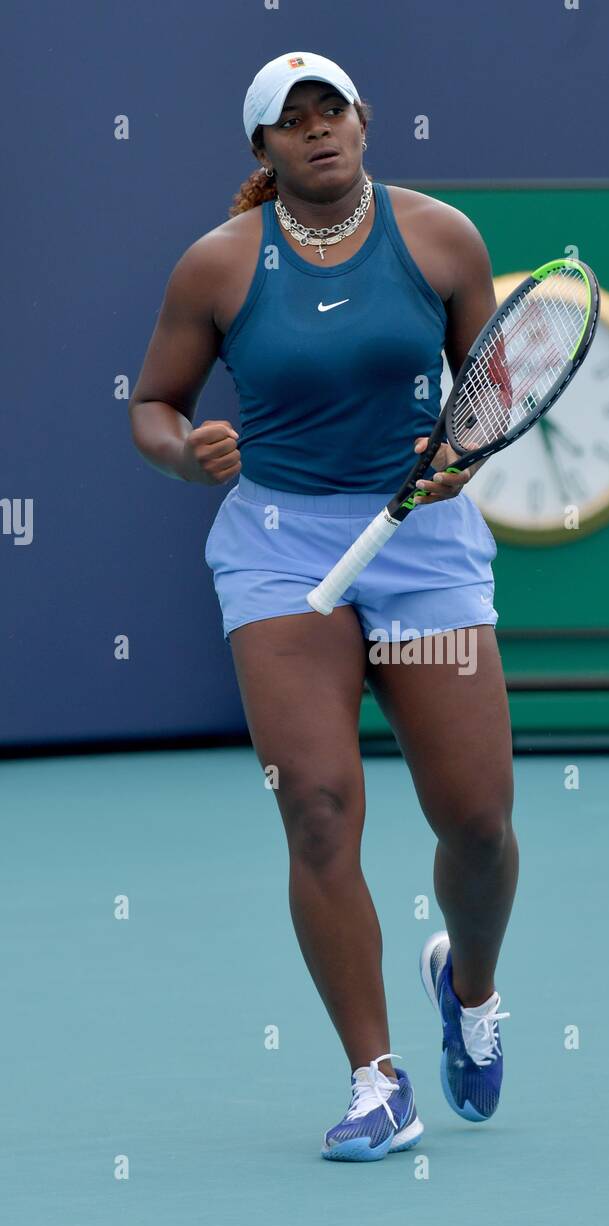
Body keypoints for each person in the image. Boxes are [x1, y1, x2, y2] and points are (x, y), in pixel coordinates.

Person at [128, 51, 518, 1162]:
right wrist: (181, 452)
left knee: (478, 823)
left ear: (363, 120)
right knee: (314, 802)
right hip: (279, 552)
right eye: (290, 122)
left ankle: (470, 987)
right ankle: (375, 1078)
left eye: (330, 111)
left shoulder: (441, 239)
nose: (317, 132)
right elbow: (153, 404)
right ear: (262, 151)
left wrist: (463, 456)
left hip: (422, 544)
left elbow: (484, 395)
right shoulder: (215, 267)